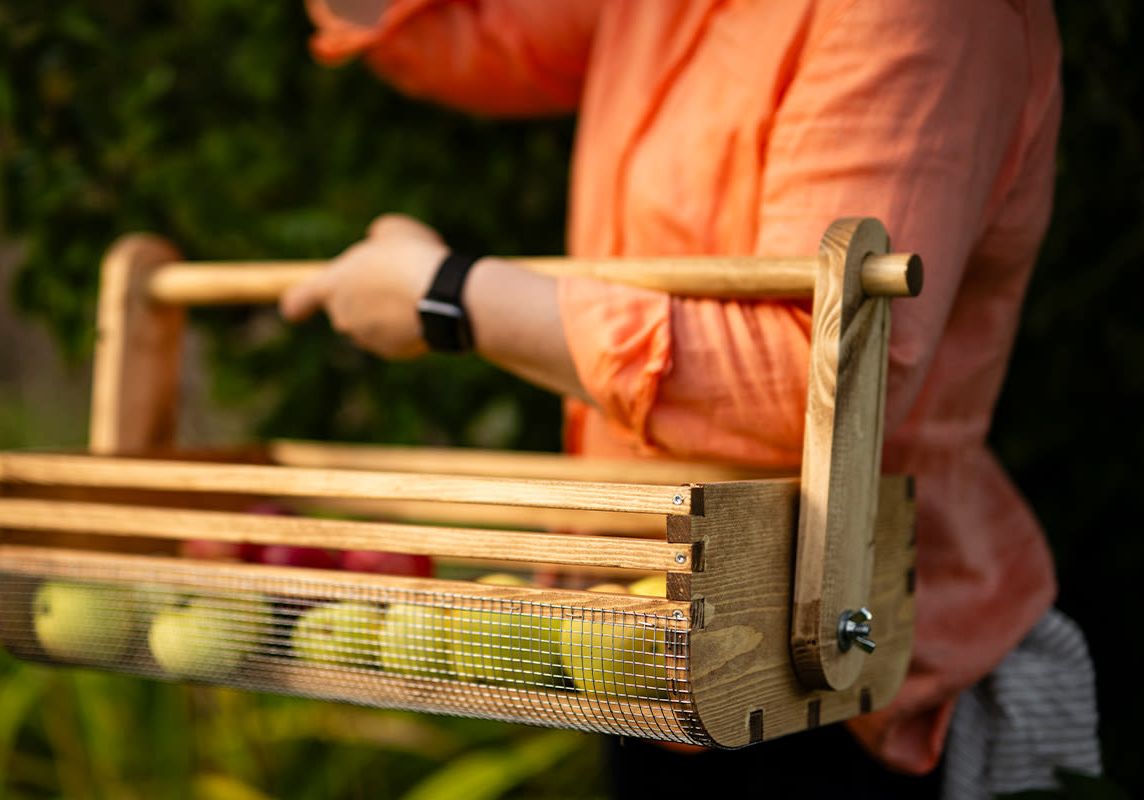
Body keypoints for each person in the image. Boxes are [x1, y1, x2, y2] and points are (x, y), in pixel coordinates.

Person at [282, 1, 1102, 797]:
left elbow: (812, 383)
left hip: (830, 678)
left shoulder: (923, 14)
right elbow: (443, 39)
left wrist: (453, 296)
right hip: (643, 646)